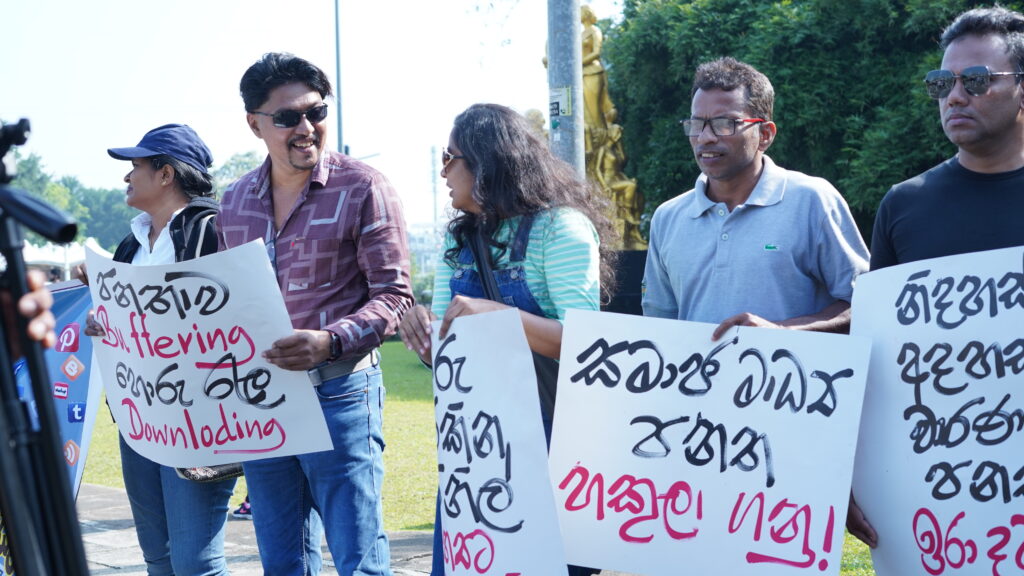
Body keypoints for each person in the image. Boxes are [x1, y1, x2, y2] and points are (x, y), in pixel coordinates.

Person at [398, 103, 614, 576]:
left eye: (450, 157)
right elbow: (443, 352)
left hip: (554, 438)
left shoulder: (560, 228)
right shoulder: (460, 239)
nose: (442, 171)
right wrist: (421, 330)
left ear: (487, 162)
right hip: (478, 443)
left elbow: (586, 347)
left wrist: (502, 316)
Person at [218, 52, 413, 575]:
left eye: (316, 112)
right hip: (264, 397)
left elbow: (395, 296)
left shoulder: (364, 187)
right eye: (288, 117)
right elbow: (219, 303)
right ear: (255, 124)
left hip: (341, 391)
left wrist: (330, 342)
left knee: (359, 557)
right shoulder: (233, 203)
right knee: (282, 561)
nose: (306, 128)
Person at [848, 5, 1024, 548]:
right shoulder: (904, 205)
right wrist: (851, 467)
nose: (955, 96)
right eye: (942, 83)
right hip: (944, 499)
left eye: (977, 80)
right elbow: (876, 353)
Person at [85, 123, 234, 575]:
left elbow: (237, 317)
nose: (126, 177)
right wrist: (101, 322)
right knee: (158, 557)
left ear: (166, 174)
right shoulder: (130, 244)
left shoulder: (214, 232)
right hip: (140, 422)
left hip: (198, 422)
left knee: (194, 563)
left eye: (135, 166)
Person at [642, 57, 869, 339]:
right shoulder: (668, 218)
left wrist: (781, 331)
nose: (705, 137)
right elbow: (658, 326)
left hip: (793, 370)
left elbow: (867, 305)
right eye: (697, 124)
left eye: (724, 123)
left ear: (765, 134)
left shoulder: (812, 200)